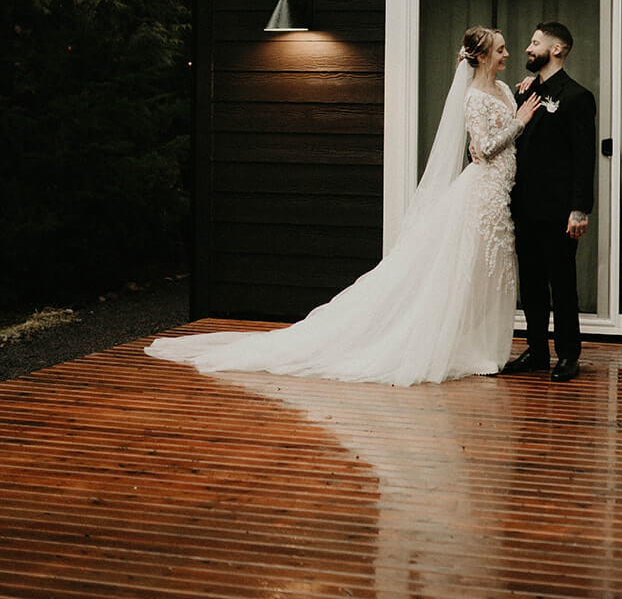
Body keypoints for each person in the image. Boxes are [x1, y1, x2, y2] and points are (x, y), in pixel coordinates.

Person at [145, 28, 540, 386]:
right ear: (483, 56)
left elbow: (509, 115)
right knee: (471, 268)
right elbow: (483, 149)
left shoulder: (505, 89)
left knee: (494, 269)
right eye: (501, 49)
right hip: (482, 193)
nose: (507, 54)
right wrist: (519, 123)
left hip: (501, 193)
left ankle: (485, 348)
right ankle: (456, 345)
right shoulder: (472, 98)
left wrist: (520, 99)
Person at [503, 22, 596, 383]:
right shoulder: (524, 93)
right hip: (523, 206)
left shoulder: (576, 97)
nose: (528, 47)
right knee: (531, 283)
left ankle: (568, 354)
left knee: (562, 283)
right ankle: (537, 351)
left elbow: (583, 157)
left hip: (558, 210)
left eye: (535, 42)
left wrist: (579, 209)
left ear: (557, 49)